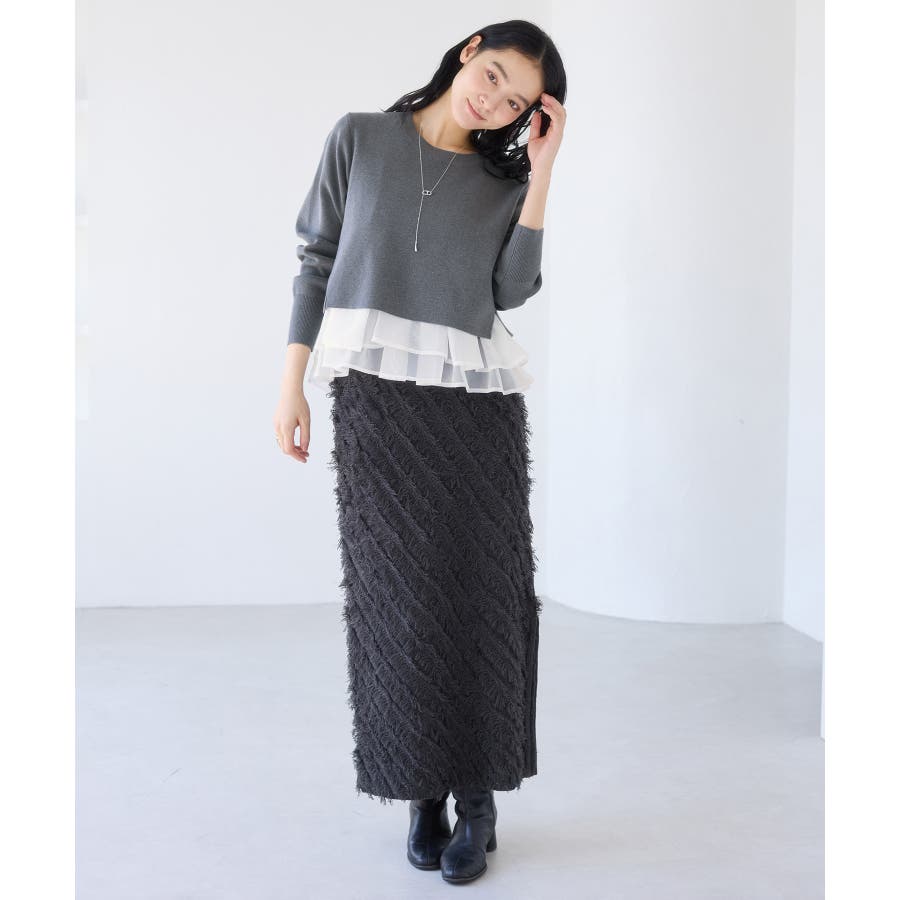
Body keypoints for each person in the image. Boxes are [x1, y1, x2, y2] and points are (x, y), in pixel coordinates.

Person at [273, 19, 567, 885]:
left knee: (480, 597)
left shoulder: (500, 180)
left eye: (516, 103)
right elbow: (316, 260)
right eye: (496, 75)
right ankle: (420, 792)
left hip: (472, 414)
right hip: (375, 407)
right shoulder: (360, 138)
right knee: (396, 607)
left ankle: (478, 799)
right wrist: (291, 384)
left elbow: (512, 288)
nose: (495, 102)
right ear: (470, 50)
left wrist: (542, 172)